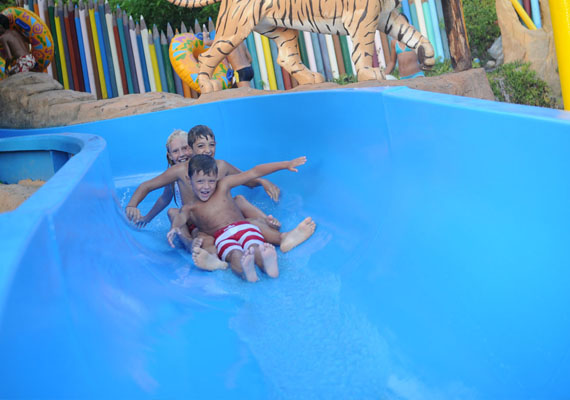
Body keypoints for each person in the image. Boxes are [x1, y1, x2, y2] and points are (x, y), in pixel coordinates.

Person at [125, 125, 281, 270]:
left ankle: (268, 222)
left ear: (190, 149)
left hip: (221, 220)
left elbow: (247, 178)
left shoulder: (219, 166)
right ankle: (192, 245)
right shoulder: (179, 172)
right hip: (199, 223)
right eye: (176, 151)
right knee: (174, 213)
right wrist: (137, 209)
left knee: (239, 199)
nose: (182, 154)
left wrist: (262, 181)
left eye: (184, 149)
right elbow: (156, 193)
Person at [167, 154, 316, 282]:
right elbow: (181, 217)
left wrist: (285, 164)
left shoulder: (223, 185)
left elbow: (254, 172)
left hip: (244, 227)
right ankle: (247, 272)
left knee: (256, 247)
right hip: (222, 237)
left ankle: (269, 266)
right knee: (235, 255)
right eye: (200, 181)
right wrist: (175, 227)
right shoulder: (190, 207)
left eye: (211, 181)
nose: (206, 186)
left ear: (216, 177)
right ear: (189, 179)